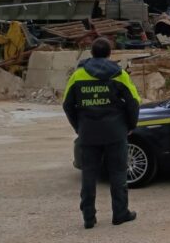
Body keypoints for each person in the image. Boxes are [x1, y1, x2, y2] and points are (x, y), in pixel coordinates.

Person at [62, 37, 141, 229]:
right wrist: (131, 125)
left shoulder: (78, 75)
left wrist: (78, 126)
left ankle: (89, 217)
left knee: (89, 174)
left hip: (88, 133)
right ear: (109, 53)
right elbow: (133, 102)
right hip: (115, 132)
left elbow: (67, 104)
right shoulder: (119, 74)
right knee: (118, 173)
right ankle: (120, 213)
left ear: (92, 53)